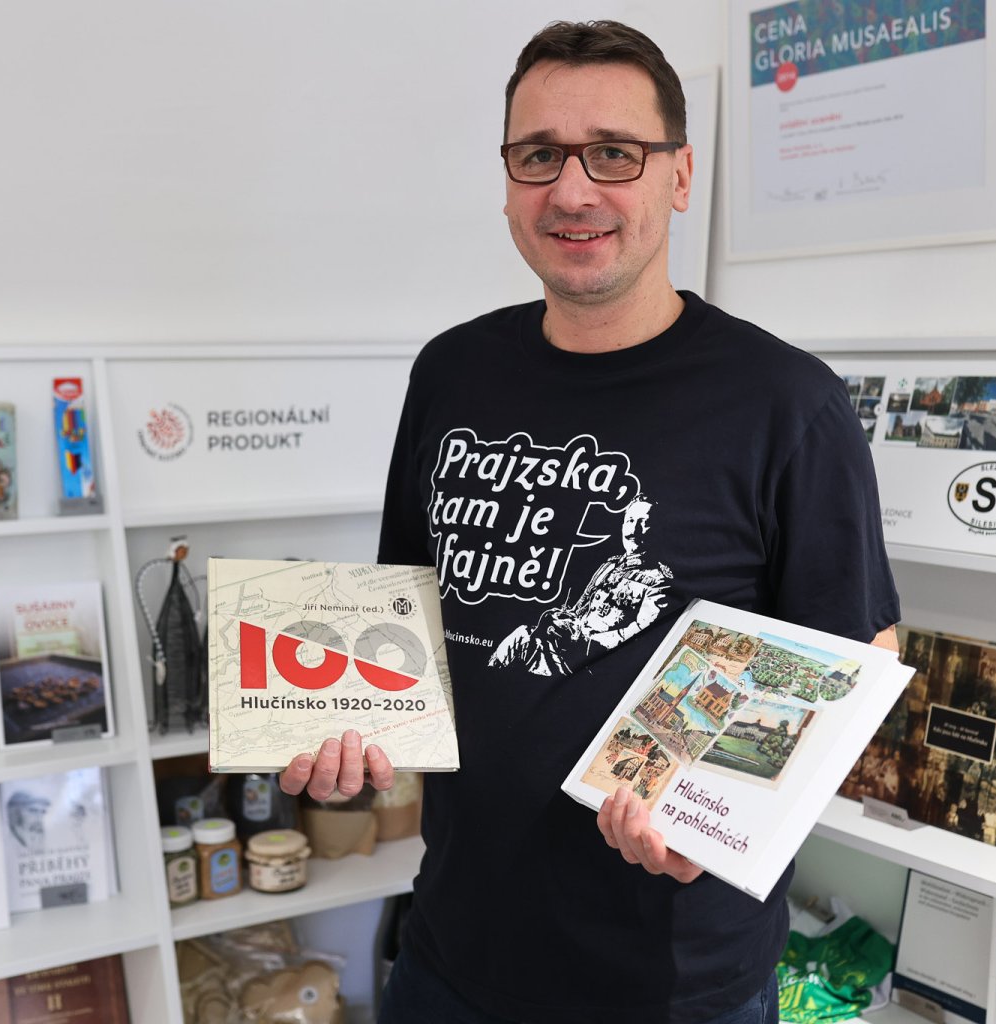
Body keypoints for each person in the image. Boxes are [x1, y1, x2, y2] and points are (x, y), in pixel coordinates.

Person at [280, 21, 899, 1024]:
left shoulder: (788, 403)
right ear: (508, 180)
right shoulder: (451, 371)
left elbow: (858, 657)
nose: (572, 191)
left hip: (671, 987)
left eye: (614, 153)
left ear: (679, 175)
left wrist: (727, 819)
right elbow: (404, 617)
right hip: (449, 955)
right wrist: (343, 737)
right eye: (539, 155)